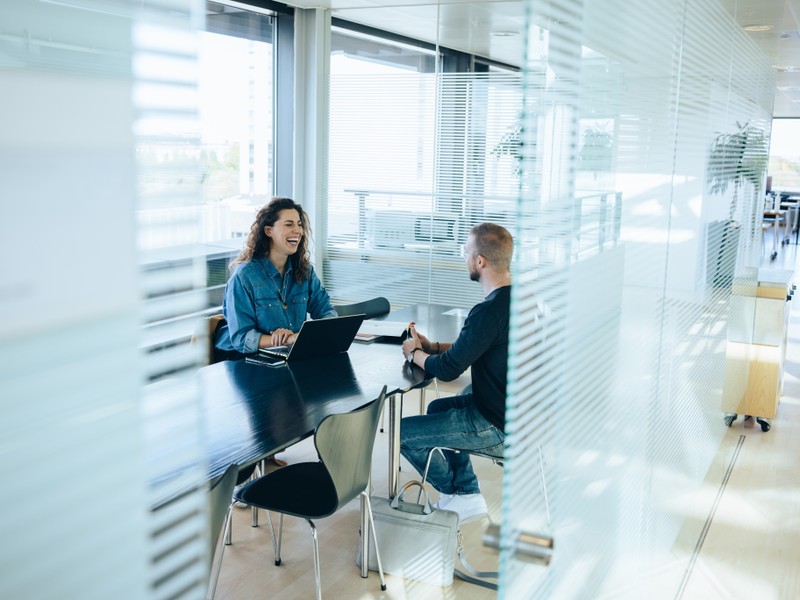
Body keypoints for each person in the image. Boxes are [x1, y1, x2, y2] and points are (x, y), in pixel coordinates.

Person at [400, 222, 513, 523]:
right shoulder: (517, 302)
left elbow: (448, 370)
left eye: (466, 252)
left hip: (497, 426)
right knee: (439, 406)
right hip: (521, 418)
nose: (463, 257)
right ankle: (465, 490)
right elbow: (479, 345)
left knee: (402, 434)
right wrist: (433, 346)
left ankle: (459, 495)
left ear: (480, 261)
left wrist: (414, 353)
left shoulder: (488, 311)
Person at [215, 197, 337, 360]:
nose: (298, 231)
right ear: (268, 231)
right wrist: (285, 339)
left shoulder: (305, 271)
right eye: (289, 224)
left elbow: (327, 312)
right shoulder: (244, 277)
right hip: (242, 361)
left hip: (285, 355)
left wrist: (299, 336)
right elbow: (242, 338)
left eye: (299, 224)